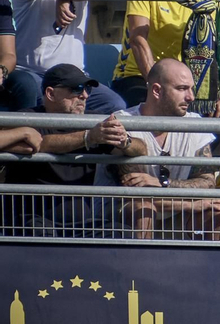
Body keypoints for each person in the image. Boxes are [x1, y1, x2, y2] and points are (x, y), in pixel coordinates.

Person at [2, 63, 143, 235]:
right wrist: (88, 137)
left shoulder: (93, 122)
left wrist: (124, 141)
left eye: (87, 90)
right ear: (50, 94)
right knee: (39, 234)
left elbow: (142, 150)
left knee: (122, 233)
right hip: (33, 220)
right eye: (76, 89)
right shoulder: (26, 117)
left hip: (82, 224)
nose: (84, 95)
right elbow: (42, 143)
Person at [105, 59, 220, 240]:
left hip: (176, 215)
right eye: (182, 89)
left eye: (191, 88)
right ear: (157, 90)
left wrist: (162, 183)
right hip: (129, 213)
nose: (191, 97)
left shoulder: (195, 123)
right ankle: (139, 267)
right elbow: (135, 192)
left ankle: (217, 269)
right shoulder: (123, 122)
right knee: (144, 208)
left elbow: (208, 182)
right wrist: (189, 205)